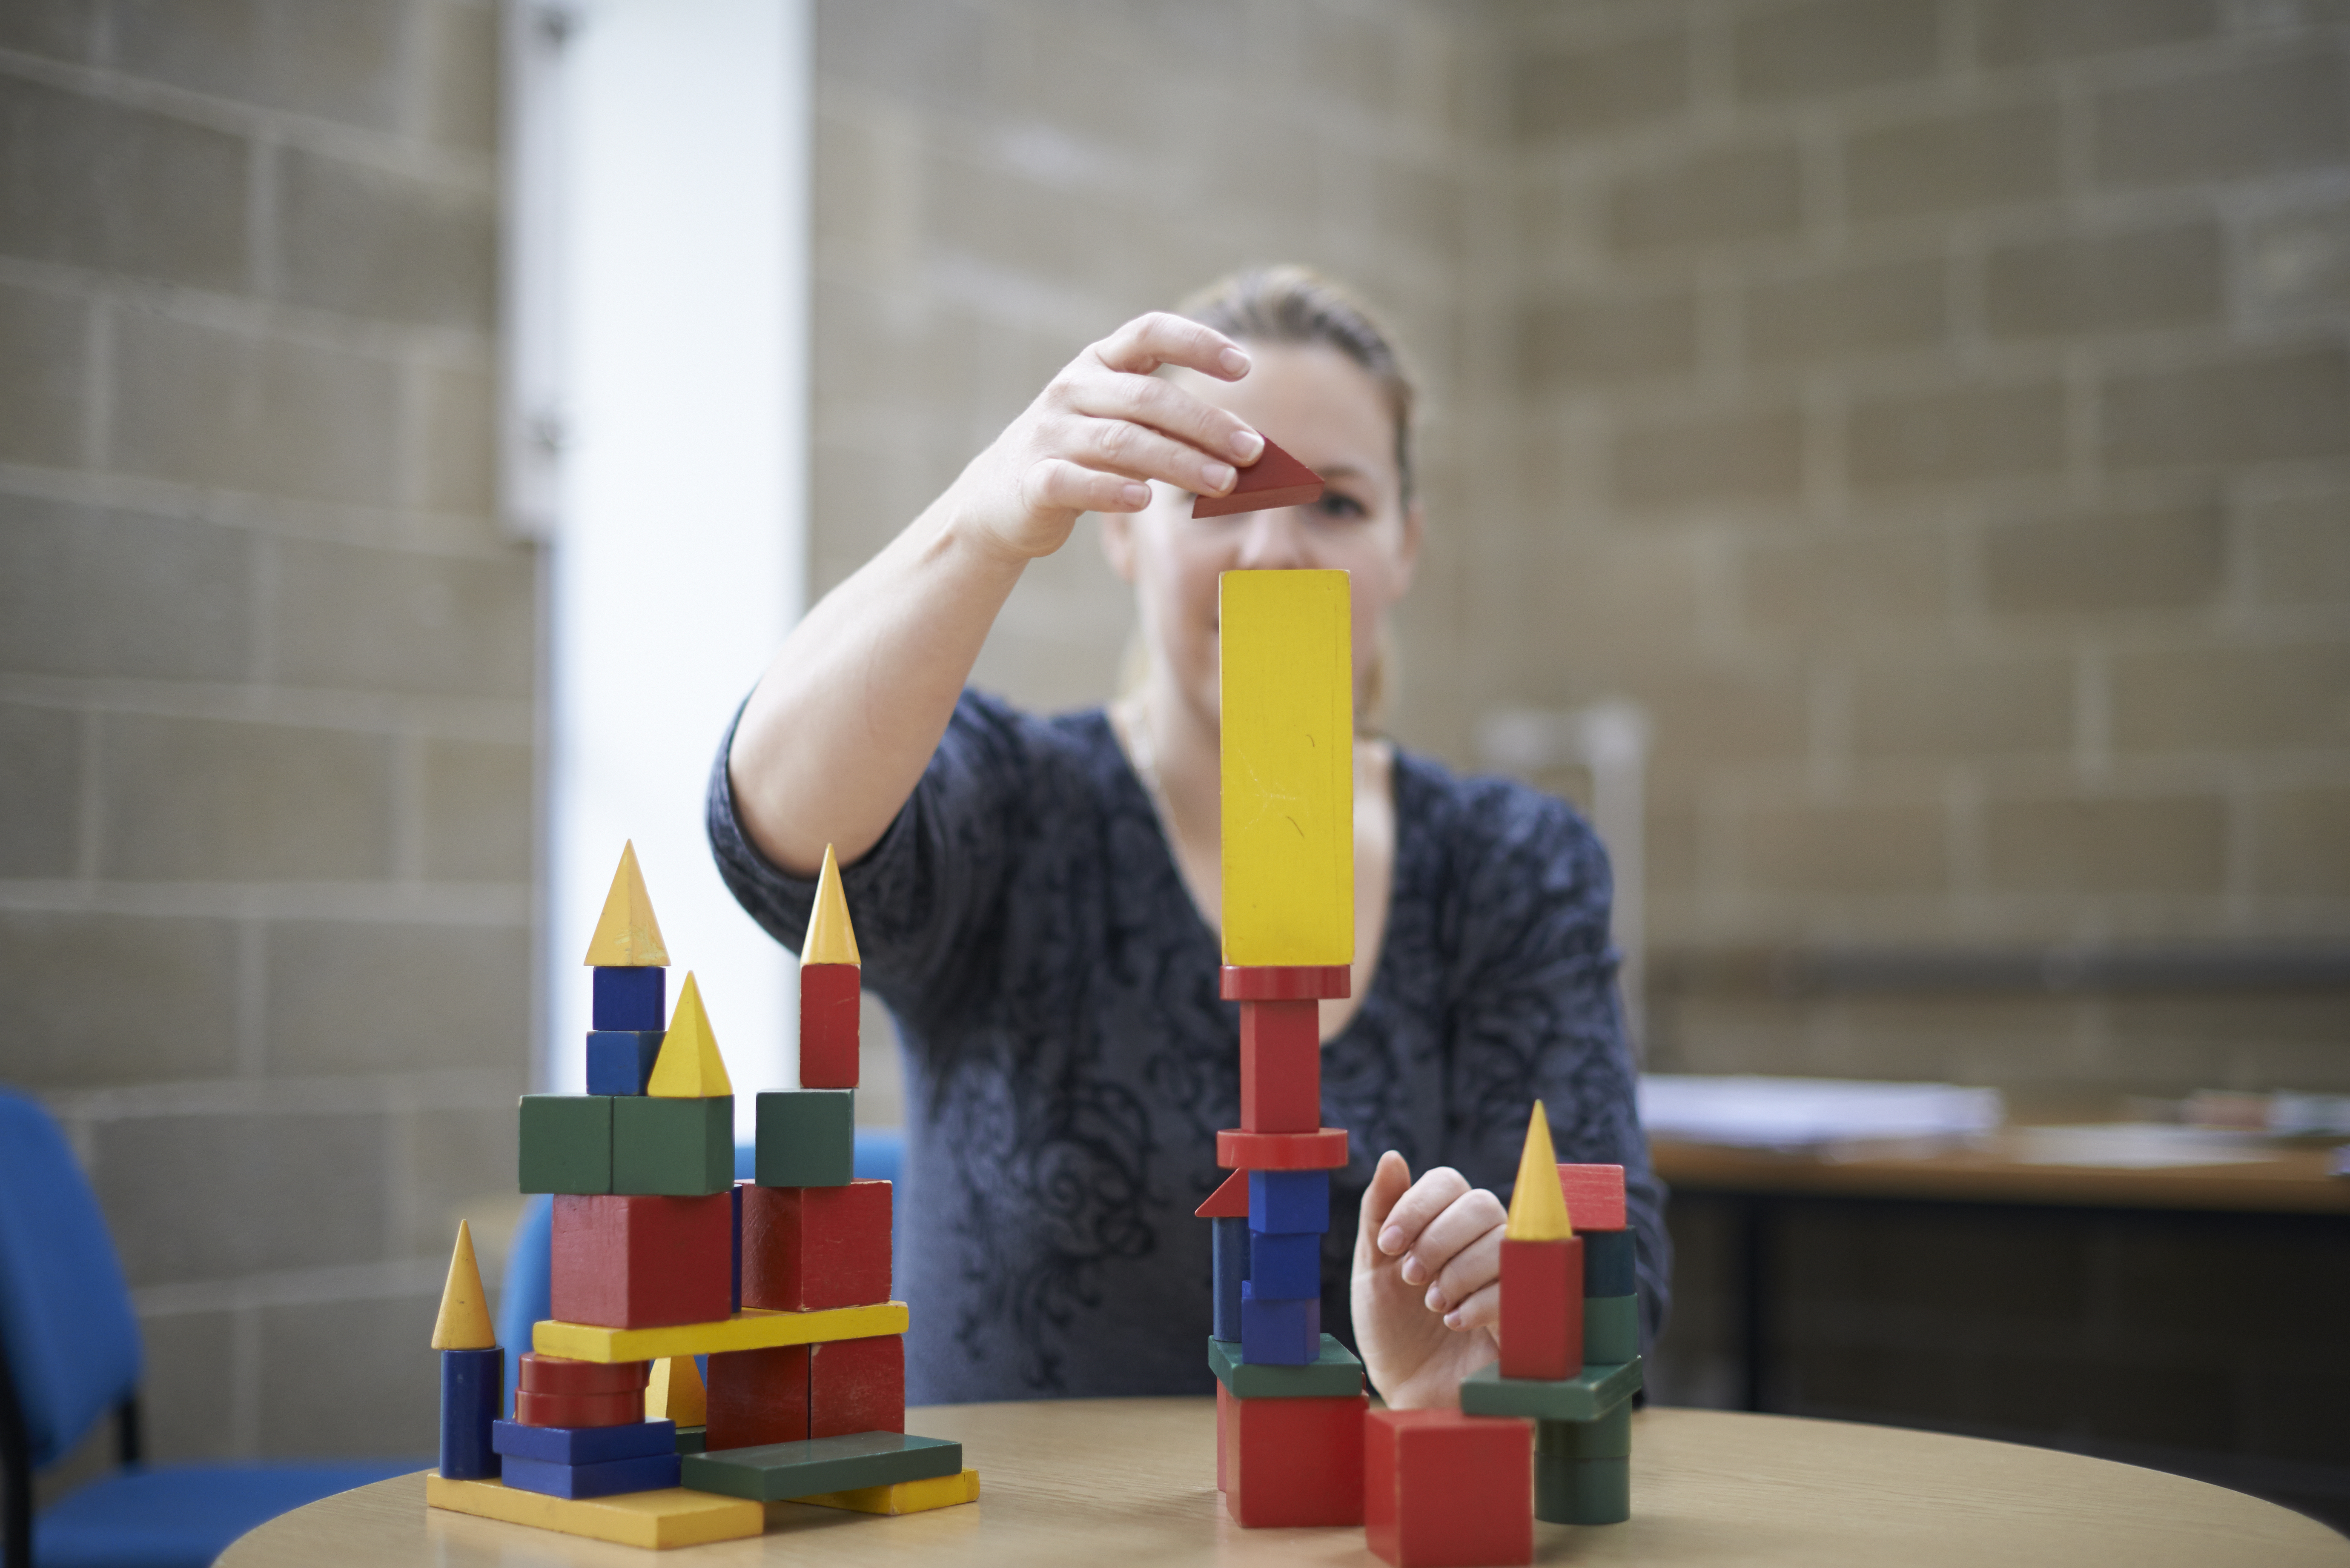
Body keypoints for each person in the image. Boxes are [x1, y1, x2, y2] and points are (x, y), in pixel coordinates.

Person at [709, 267, 1668, 1408]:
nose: (1274, 552)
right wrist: (984, 519)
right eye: (1217, 495)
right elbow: (774, 835)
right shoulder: (1016, 800)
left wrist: (1510, 1332)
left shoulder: (1511, 864)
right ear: (1124, 531)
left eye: (1338, 504)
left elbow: (1621, 1295)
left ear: (1406, 548)